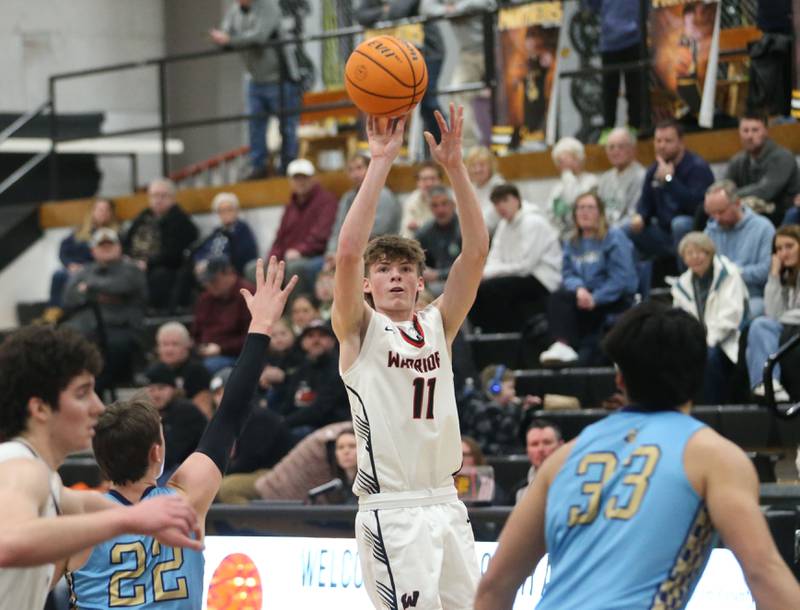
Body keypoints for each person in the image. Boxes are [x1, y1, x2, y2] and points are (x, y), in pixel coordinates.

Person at [474, 301, 800, 610]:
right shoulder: (715, 457)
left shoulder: (563, 458)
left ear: (619, 379)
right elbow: (763, 575)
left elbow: (494, 586)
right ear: (698, 378)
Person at [67, 256, 298, 608]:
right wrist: (262, 325)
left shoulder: (77, 521)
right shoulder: (184, 501)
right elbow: (230, 413)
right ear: (157, 452)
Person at [332, 105, 489, 608]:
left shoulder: (438, 324)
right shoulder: (359, 329)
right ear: (368, 285)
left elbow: (477, 253)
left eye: (405, 269)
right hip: (392, 510)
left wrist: (456, 169)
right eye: (384, 269)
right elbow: (349, 252)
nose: (395, 275)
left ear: (421, 283)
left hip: (446, 500)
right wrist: (381, 162)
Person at [0, 326, 201, 610]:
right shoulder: (22, 468)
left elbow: (83, 502)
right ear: (40, 409)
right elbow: (7, 543)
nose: (97, 406)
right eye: (82, 393)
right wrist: (128, 521)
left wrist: (145, 519)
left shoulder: (45, 479)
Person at [540, 191, 638, 366]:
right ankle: (561, 346)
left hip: (612, 299)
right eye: (580, 208)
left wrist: (596, 298)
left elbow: (621, 278)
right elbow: (568, 273)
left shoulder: (614, 237)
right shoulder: (572, 242)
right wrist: (579, 289)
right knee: (557, 297)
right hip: (584, 297)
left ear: (600, 213)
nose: (584, 212)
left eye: (590, 208)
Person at [211, 0, 301, 178]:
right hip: (254, 79)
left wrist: (231, 40)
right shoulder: (234, 11)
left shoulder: (269, 6)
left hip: (280, 78)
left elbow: (259, 36)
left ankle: (288, 166)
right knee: (255, 125)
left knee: (287, 126)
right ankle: (258, 168)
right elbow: (224, 36)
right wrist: (225, 39)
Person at [62, 228, 148, 395]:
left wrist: (89, 289)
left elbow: (122, 285)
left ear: (119, 247)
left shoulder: (132, 269)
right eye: (102, 246)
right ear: (93, 250)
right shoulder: (84, 271)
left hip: (121, 328)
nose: (106, 249)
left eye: (111, 245)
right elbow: (69, 297)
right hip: (85, 328)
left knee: (110, 349)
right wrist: (100, 293)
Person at [470, 183, 562, 333]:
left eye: (505, 200)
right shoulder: (504, 225)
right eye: (496, 203)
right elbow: (494, 257)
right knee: (476, 288)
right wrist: (484, 274)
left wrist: (489, 273)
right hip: (515, 275)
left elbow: (525, 266)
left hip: (542, 278)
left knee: (490, 289)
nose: (501, 207)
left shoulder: (533, 222)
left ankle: (499, 333)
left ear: (517, 200)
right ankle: (486, 334)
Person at [672, 232, 748, 404]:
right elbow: (680, 320)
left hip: (729, 339)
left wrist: (706, 341)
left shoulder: (729, 274)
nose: (695, 258)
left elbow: (731, 316)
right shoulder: (680, 285)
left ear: (710, 252)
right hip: (698, 341)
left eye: (700, 252)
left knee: (709, 357)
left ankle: (713, 409)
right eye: (689, 254)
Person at [628, 119, 714, 271]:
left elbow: (697, 206)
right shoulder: (653, 170)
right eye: (658, 141)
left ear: (681, 142)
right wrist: (639, 217)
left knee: (679, 224)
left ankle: (686, 281)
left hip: (694, 229)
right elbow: (645, 204)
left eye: (668, 141)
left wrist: (669, 181)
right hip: (664, 233)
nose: (662, 145)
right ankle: (634, 286)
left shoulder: (697, 167)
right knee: (625, 230)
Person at [261, 158, 338, 293]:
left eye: (305, 177)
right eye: (296, 178)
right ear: (290, 181)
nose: (300, 182)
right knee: (258, 268)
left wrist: (300, 251)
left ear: (313, 179)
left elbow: (321, 236)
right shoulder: (290, 205)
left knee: (294, 268)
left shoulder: (327, 201)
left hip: (316, 256)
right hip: (290, 256)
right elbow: (280, 237)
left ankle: (294, 312)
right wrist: (273, 257)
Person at [123, 178, 199, 311]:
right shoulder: (143, 216)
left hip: (161, 268)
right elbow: (126, 241)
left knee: (160, 277)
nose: (158, 200)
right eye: (154, 195)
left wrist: (147, 264)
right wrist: (126, 258)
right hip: (133, 262)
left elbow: (173, 254)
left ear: (173, 198)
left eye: (163, 195)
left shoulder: (180, 220)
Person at [703, 179, 775, 318]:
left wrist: (732, 273)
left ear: (737, 203)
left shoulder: (763, 228)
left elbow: (767, 270)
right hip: (718, 296)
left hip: (752, 295)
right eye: (711, 213)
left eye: (721, 212)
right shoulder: (710, 230)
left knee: (739, 317)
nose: (716, 218)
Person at [746, 225, 800, 402]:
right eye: (778, 249)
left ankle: (768, 383)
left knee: (760, 326)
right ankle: (769, 386)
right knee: (754, 338)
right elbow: (772, 313)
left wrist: (782, 318)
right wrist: (774, 275)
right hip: (790, 329)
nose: (783, 253)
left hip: (794, 329)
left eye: (789, 246)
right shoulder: (787, 276)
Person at [323, 153, 401, 275]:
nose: (355, 174)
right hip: (349, 253)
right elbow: (337, 229)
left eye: (359, 168)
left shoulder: (384, 195)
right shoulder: (347, 198)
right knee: (324, 273)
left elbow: (375, 234)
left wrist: (345, 254)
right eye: (351, 170)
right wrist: (332, 253)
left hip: (381, 252)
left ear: (370, 169)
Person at [272, 318, 349, 441]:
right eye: (310, 336)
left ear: (332, 341)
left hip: (331, 427)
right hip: (301, 424)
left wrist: (284, 422)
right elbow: (288, 403)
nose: (316, 340)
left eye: (322, 336)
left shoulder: (339, 369)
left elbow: (319, 410)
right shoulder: (302, 369)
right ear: (303, 342)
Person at [47, 198, 120, 316]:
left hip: (97, 267)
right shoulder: (80, 231)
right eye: (100, 209)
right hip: (76, 267)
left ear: (111, 213)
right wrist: (70, 264)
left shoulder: (113, 234)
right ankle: (53, 313)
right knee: (59, 275)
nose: (103, 213)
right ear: (93, 211)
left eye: (106, 210)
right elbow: (64, 251)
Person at [725, 111, 800, 226]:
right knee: (710, 211)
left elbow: (765, 191)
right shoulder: (738, 160)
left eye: (755, 130)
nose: (750, 136)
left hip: (780, 212)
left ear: (766, 131)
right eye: (745, 131)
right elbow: (724, 187)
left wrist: (730, 196)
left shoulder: (783, 157)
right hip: (750, 211)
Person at [584, 0, 643, 133]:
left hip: (635, 40)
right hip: (609, 43)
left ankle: (635, 127)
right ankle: (608, 129)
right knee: (609, 90)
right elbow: (592, 6)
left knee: (635, 87)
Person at [142, 363, 208, 479]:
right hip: (169, 465)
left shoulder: (186, 411)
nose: (156, 394)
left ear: (173, 389)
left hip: (193, 467)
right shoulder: (152, 412)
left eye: (161, 388)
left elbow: (171, 455)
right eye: (152, 389)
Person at [192, 255, 255, 374]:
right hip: (204, 352)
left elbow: (252, 337)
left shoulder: (248, 295)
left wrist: (221, 349)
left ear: (229, 274)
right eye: (207, 281)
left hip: (235, 356)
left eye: (214, 280)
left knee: (206, 368)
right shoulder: (205, 298)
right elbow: (197, 332)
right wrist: (199, 347)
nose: (209, 285)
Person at [460, 364, 539, 457]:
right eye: (510, 387)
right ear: (495, 388)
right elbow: (503, 435)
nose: (513, 392)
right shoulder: (476, 407)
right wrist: (516, 408)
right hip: (487, 456)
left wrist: (523, 407)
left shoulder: (505, 406)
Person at [154, 322, 213, 420]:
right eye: (165, 344)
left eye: (175, 344)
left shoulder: (197, 371)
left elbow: (204, 413)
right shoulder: (154, 372)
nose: (169, 349)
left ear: (187, 345)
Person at [192, 192, 258, 275]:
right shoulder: (217, 231)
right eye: (222, 211)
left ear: (236, 211)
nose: (226, 214)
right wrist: (200, 261)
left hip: (229, 271)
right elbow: (202, 249)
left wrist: (211, 263)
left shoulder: (242, 229)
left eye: (229, 209)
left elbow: (242, 254)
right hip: (211, 269)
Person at [546, 137, 599, 238]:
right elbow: (551, 213)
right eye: (558, 160)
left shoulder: (591, 182)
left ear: (577, 158)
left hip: (585, 236)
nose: (561, 163)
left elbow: (576, 203)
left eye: (565, 158)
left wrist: (569, 179)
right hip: (562, 237)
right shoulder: (558, 187)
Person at [415, 185, 462, 297]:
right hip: (434, 283)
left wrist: (438, 275)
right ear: (430, 208)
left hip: (463, 281)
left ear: (453, 205)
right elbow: (414, 259)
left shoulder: (465, 229)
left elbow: (472, 266)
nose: (440, 210)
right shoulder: (425, 232)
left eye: (444, 204)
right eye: (435, 206)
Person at [596, 127, 645, 227]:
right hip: (605, 228)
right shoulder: (605, 178)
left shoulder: (641, 176)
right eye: (611, 147)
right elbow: (598, 209)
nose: (615, 151)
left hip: (628, 228)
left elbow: (634, 213)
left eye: (621, 146)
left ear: (632, 149)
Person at [513, 419, 563, 504]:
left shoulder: (576, 482)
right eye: (534, 444)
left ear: (561, 446)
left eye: (547, 442)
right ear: (527, 451)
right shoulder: (519, 491)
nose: (541, 449)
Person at [465, 146, 506, 234]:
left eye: (482, 165)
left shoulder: (499, 186)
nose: (477, 169)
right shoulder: (471, 188)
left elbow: (491, 221)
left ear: (490, 166)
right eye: (473, 165)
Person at [400, 160, 443, 238]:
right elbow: (407, 232)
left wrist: (419, 226)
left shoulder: (450, 200)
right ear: (418, 182)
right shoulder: (411, 201)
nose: (429, 183)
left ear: (440, 181)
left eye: (433, 179)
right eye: (424, 179)